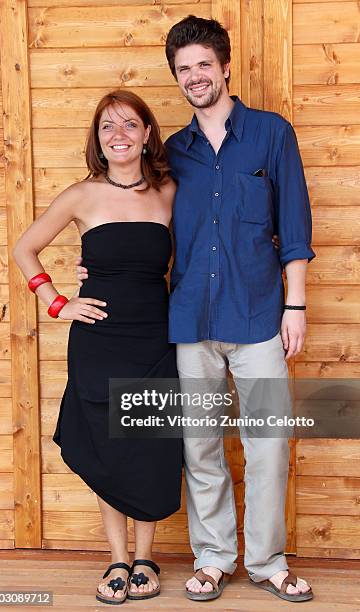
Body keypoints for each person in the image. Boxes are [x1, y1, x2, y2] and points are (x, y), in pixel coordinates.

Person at [76, 15, 315, 604]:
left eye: (204, 65)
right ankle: (212, 558)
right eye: (183, 69)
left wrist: (296, 303)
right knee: (201, 446)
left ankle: (266, 562)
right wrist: (97, 268)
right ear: (177, 78)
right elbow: (131, 219)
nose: (194, 77)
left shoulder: (271, 134)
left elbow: (296, 228)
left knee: (267, 444)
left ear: (225, 67)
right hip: (189, 323)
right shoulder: (171, 156)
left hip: (261, 315)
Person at [13, 90, 183, 605]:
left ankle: (146, 559)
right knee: (108, 450)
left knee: (151, 450)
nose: (119, 135)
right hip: (100, 342)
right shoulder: (80, 195)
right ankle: (116, 559)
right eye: (108, 127)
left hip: (156, 337)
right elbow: (24, 247)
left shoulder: (171, 192)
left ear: (148, 134)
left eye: (130, 125)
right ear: (98, 139)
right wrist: (57, 301)